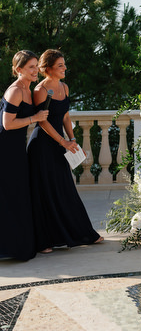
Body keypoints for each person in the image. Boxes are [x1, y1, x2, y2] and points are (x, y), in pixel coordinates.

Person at [27, 49, 103, 253]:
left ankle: (83, 233)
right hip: (42, 146)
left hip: (60, 143)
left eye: (64, 64)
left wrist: (73, 139)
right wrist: (63, 142)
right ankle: (44, 241)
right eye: (60, 65)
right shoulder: (40, 90)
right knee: (45, 191)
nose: (65, 68)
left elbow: (66, 117)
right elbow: (42, 122)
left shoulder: (65, 87)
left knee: (64, 188)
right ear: (48, 68)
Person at [0, 50, 49, 261]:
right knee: (12, 195)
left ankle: (23, 244)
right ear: (18, 70)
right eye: (31, 67)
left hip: (16, 147)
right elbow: (7, 124)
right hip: (5, 149)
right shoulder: (16, 91)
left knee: (19, 194)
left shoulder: (28, 89)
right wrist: (35, 118)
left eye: (37, 65)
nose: (36, 70)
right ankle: (13, 247)